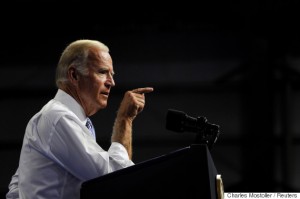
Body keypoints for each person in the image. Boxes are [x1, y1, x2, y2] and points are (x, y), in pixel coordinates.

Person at [6, 39, 154, 199]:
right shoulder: (58, 118)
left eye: (112, 74)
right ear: (74, 75)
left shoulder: (60, 118)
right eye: (103, 72)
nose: (111, 82)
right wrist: (124, 119)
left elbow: (16, 189)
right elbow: (115, 179)